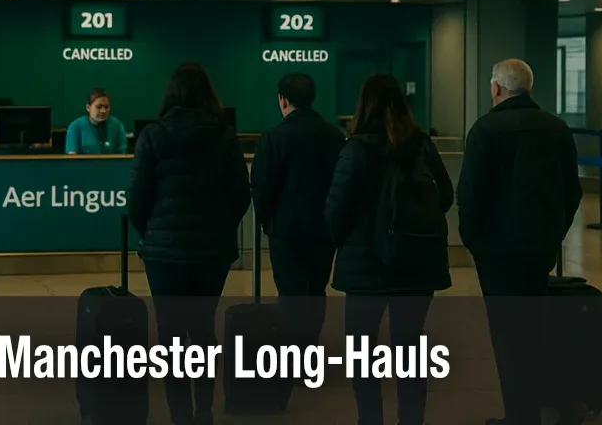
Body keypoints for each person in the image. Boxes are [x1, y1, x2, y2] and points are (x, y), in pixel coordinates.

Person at [457, 59, 583, 425]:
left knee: (507, 334)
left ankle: (520, 415)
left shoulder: (486, 129)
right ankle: (548, 402)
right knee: (535, 325)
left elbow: (470, 193)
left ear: (497, 88)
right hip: (540, 247)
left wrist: (474, 240)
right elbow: (572, 190)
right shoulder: (556, 129)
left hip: (497, 253)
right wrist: (554, 231)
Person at [325, 74, 454, 425]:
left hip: (365, 264)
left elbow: (336, 210)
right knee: (409, 348)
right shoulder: (422, 144)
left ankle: (371, 420)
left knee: (362, 353)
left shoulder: (356, 149)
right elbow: (445, 195)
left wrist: (346, 237)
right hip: (416, 262)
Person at [128, 64, 251, 425]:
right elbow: (241, 194)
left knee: (170, 332)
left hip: (164, 254)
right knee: (202, 327)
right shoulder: (225, 136)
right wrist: (221, 227)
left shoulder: (153, 136)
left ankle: (180, 411)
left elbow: (136, 197)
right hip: (212, 251)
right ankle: (205, 409)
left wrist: (151, 232)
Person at [250, 72, 344, 351]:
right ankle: (310, 351)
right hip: (323, 230)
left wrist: (268, 222)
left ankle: (292, 355)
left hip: (286, 230)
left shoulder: (273, 138)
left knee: (290, 294)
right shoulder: (334, 136)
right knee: (315, 291)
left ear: (283, 99)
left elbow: (262, 187)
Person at [65, 87, 128, 155]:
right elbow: (72, 158)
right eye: (99, 107)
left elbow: (122, 155)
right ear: (88, 108)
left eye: (106, 107)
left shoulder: (117, 126)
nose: (103, 111)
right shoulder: (75, 126)